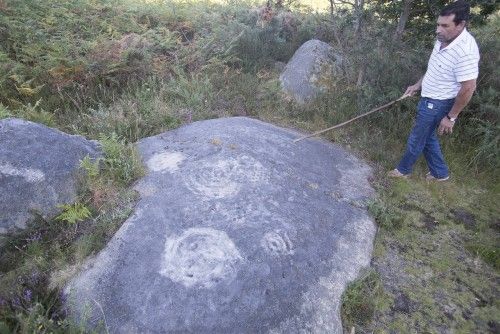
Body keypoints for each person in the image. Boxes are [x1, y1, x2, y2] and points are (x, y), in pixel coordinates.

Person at [388, 0, 479, 181]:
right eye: (438, 24)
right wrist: (417, 85)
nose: (438, 30)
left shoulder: (466, 51)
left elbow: (468, 88)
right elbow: (434, 68)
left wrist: (451, 117)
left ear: (461, 24)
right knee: (427, 137)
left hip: (438, 102)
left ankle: (403, 171)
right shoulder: (443, 39)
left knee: (417, 137)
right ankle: (440, 174)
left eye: (445, 26)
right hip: (428, 96)